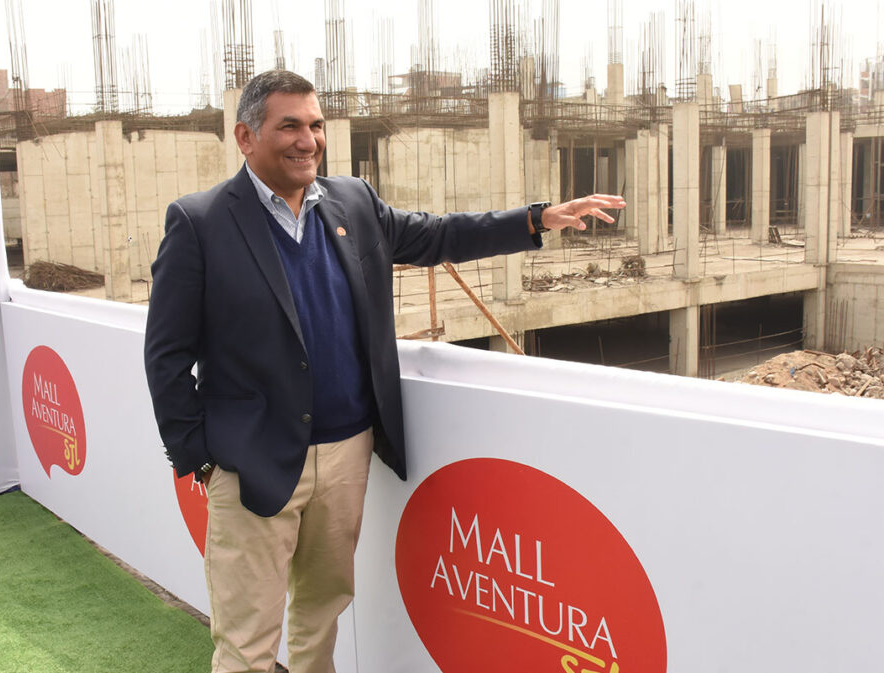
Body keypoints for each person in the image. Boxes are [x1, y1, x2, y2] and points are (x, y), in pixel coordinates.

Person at [144, 69, 624, 673]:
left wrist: (537, 219)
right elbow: (166, 355)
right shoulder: (200, 223)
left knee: (321, 617)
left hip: (347, 455)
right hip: (251, 465)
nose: (308, 140)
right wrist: (201, 459)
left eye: (316, 125)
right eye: (289, 126)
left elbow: (438, 236)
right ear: (246, 137)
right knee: (246, 642)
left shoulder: (353, 202)